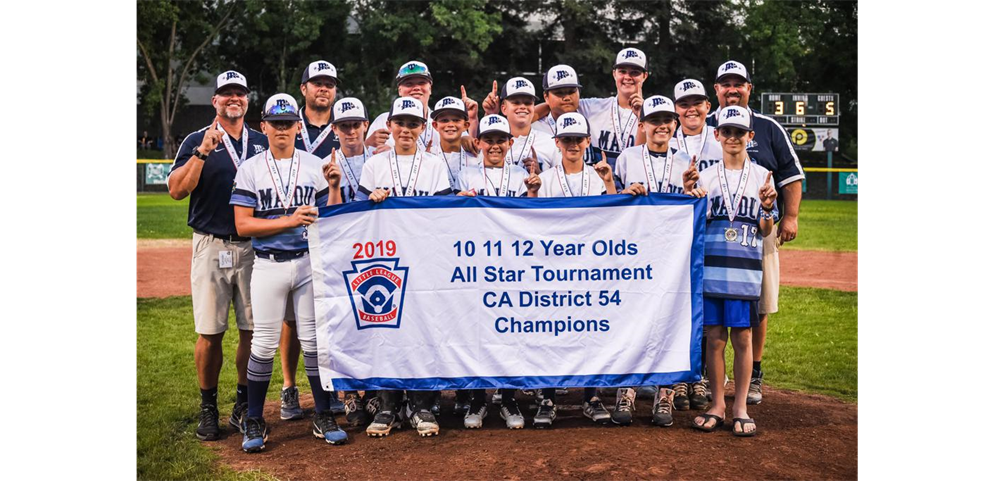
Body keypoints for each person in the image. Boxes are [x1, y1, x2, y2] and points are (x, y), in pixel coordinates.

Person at [230, 93, 348, 452]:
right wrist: (289, 220)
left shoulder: (314, 164)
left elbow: (333, 218)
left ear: (298, 127)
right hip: (268, 265)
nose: (282, 129)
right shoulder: (251, 167)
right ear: (263, 126)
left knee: (314, 342)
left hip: (308, 262)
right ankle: (253, 417)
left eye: (288, 123)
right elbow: (242, 225)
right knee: (264, 344)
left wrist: (333, 186)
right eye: (275, 123)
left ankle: (323, 413)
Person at [167, 70, 268, 442]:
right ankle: (208, 407)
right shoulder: (196, 139)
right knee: (210, 332)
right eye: (226, 94)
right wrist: (202, 153)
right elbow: (177, 191)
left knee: (252, 331)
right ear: (215, 101)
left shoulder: (261, 141)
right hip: (211, 245)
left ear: (247, 99)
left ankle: (242, 404)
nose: (233, 99)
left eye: (239, 93)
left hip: (253, 247)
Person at [707, 60, 804, 404]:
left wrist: (787, 216)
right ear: (716, 89)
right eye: (725, 83)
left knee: (757, 306)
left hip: (757, 233)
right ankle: (707, 379)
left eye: (739, 83)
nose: (732, 89)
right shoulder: (703, 126)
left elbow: (791, 176)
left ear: (750, 87)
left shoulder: (767, 127)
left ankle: (755, 374)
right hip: (713, 240)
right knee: (712, 321)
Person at [358, 96, 453, 437]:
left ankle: (423, 404)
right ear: (390, 126)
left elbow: (444, 215)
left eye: (414, 124)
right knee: (387, 329)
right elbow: (358, 218)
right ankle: (387, 405)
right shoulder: (374, 165)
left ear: (423, 129)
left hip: (424, 257)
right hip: (385, 258)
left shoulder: (435, 165)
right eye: (401, 123)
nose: (406, 130)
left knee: (424, 330)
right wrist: (372, 202)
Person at [685, 105, 777, 437]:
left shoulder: (762, 176)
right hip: (713, 271)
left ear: (750, 137)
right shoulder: (706, 177)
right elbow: (692, 227)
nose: (733, 137)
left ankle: (740, 406)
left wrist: (767, 208)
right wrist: (689, 195)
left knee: (743, 338)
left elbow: (767, 230)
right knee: (713, 340)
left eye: (740, 132)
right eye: (727, 132)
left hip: (744, 274)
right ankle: (717, 404)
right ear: (717, 135)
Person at [610, 95, 697, 426]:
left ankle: (666, 393)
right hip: (634, 254)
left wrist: (692, 193)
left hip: (673, 257)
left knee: (669, 323)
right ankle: (628, 390)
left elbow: (695, 204)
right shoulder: (628, 158)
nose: (661, 126)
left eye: (667, 120)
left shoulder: (687, 159)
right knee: (631, 321)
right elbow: (610, 203)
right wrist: (621, 192)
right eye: (654, 120)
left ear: (675, 125)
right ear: (642, 125)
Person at [452, 114, 540, 429]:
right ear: (478, 143)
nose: (494, 145)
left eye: (500, 140)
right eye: (488, 139)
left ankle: (509, 397)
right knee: (476, 330)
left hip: (514, 265)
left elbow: (534, 221)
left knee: (512, 330)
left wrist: (533, 193)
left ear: (510, 143)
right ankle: (477, 399)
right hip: (477, 263)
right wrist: (457, 202)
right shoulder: (465, 175)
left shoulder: (521, 175)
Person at [532, 112, 616, 428]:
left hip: (588, 269)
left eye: (577, 139)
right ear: (557, 142)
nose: (572, 145)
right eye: (566, 140)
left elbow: (615, 216)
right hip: (553, 269)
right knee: (552, 331)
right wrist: (532, 191)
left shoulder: (596, 177)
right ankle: (548, 397)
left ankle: (590, 397)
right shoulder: (547, 178)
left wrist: (608, 182)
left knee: (590, 332)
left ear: (587, 142)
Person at [279, 60, 347, 423]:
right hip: (290, 229)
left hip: (331, 226)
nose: (323, 89)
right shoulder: (288, 124)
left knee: (330, 312)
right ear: (303, 88)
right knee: (291, 318)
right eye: (316, 83)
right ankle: (290, 387)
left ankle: (330, 384)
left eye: (329, 84)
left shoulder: (344, 129)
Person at [365, 61, 479, 154]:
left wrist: (470, 129)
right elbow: (365, 159)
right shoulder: (382, 121)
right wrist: (367, 144)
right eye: (409, 84)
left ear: (430, 88)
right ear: (399, 90)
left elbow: (471, 152)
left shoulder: (443, 120)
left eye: (421, 83)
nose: (416, 88)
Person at [431, 96, 479, 191]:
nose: (450, 124)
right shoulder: (429, 156)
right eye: (444, 120)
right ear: (435, 125)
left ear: (466, 125)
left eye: (456, 120)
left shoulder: (476, 156)